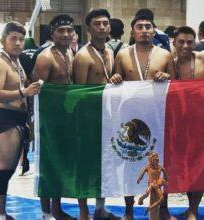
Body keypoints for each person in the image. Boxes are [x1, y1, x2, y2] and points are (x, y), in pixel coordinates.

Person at [110, 14, 175, 220]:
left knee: (160, 165)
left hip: (157, 116)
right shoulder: (122, 55)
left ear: (154, 31)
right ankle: (129, 211)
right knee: (129, 164)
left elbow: (175, 84)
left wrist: (167, 76)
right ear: (133, 32)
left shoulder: (165, 55)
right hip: (130, 118)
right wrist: (115, 77)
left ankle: (161, 210)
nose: (145, 30)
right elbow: (113, 84)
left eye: (148, 26)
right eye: (140, 27)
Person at [0, 21, 41, 220]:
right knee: (3, 170)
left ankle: (0, 213)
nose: (18, 43)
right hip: (3, 120)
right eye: (13, 39)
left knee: (9, 170)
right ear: (3, 41)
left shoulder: (16, 62)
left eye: (20, 39)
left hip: (17, 119)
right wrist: (23, 92)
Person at [172, 26, 204, 220]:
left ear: (195, 42)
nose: (186, 46)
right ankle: (185, 207)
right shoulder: (170, 63)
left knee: (200, 166)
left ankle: (193, 209)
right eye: (181, 42)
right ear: (174, 43)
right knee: (182, 167)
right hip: (179, 123)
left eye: (189, 42)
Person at [73, 9, 120, 220]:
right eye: (97, 24)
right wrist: (104, 87)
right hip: (88, 118)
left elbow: (111, 78)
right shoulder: (83, 56)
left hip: (107, 116)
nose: (102, 27)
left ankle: (100, 208)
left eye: (105, 24)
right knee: (85, 165)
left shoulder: (110, 51)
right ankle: (83, 212)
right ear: (88, 28)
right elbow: (79, 93)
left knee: (105, 164)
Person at [32, 14, 77, 220]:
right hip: (48, 119)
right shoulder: (45, 57)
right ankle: (46, 212)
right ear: (53, 33)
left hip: (64, 118)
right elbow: (37, 93)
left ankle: (57, 208)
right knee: (48, 166)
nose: (66, 34)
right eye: (61, 31)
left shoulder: (70, 52)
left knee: (59, 165)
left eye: (69, 30)